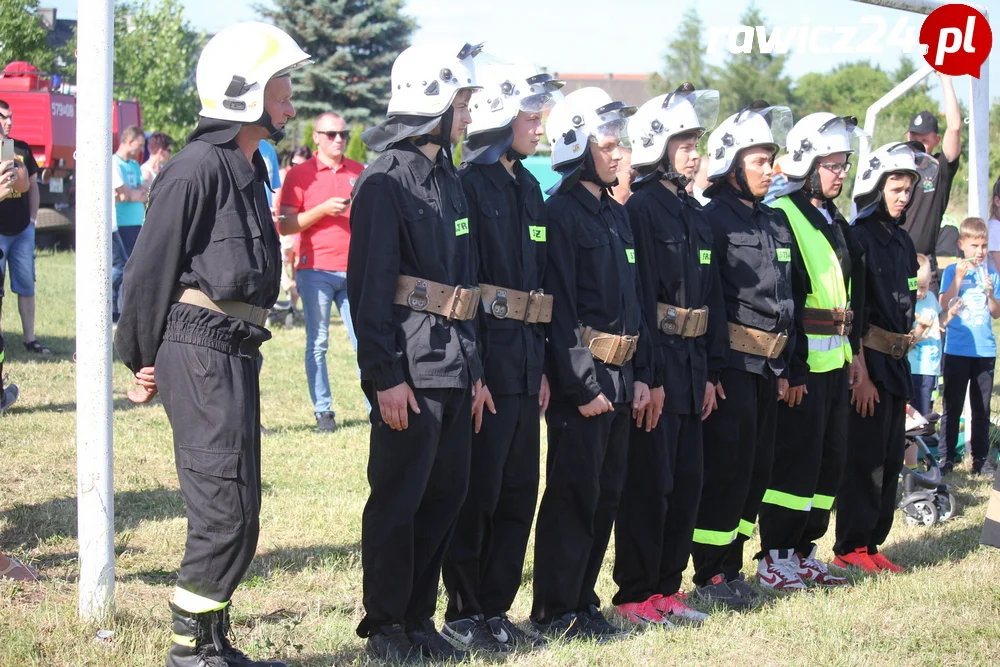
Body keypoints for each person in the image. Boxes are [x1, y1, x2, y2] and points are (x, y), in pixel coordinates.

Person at [114, 22, 310, 667]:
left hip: (234, 346)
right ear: (244, 92)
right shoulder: (194, 169)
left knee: (243, 506)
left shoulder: (246, 168)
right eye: (282, 84)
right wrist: (140, 358)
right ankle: (188, 652)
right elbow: (147, 276)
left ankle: (214, 642)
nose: (290, 97)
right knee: (222, 506)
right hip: (195, 348)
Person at [347, 42, 485, 663]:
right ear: (430, 104)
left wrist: (477, 372)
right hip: (410, 368)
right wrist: (383, 377)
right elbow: (369, 290)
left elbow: (466, 285)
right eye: (461, 102)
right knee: (399, 499)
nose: (467, 114)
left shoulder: (449, 180)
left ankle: (418, 619)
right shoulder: (383, 182)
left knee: (445, 496)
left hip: (456, 368)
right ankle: (384, 627)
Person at [438, 56, 562, 653]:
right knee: (478, 494)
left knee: (517, 492)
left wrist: (539, 371)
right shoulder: (467, 185)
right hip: (487, 366)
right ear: (499, 117)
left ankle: (496, 609)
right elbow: (465, 286)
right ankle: (463, 611)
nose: (540, 126)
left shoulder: (531, 187)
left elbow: (537, 288)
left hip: (525, 368)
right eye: (530, 116)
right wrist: (475, 374)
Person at [530, 87, 650, 641]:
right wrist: (581, 385)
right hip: (588, 383)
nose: (619, 154)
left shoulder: (615, 215)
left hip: (622, 382)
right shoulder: (561, 214)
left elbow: (633, 305)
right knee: (572, 496)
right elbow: (561, 311)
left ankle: (583, 600)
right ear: (578, 145)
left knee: (606, 494)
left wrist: (639, 377)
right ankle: (555, 610)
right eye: (608, 146)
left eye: (619, 145)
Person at [611, 83, 724, 625]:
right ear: (657, 144)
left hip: (693, 367)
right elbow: (639, 300)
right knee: (649, 486)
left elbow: (712, 299)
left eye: (697, 141)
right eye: (685, 142)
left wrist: (710, 372)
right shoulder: (643, 210)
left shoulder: (693, 211)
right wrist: (649, 376)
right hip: (658, 368)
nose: (695, 151)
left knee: (686, 483)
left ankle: (667, 587)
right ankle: (636, 592)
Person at [691, 101, 799, 609]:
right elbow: (709, 299)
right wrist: (713, 371)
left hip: (769, 370)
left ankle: (734, 562)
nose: (769, 169)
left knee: (757, 471)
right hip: (733, 367)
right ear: (732, 164)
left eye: (771, 159)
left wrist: (787, 367)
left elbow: (789, 297)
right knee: (727, 472)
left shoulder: (775, 222)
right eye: (759, 160)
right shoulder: (713, 221)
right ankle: (712, 574)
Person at [756, 113, 868, 590]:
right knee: (794, 463)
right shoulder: (786, 215)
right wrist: (792, 366)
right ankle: (774, 556)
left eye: (844, 164)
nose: (840, 173)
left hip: (834, 362)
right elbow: (787, 297)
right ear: (807, 162)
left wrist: (851, 358)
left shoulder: (833, 219)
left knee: (830, 462)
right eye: (832, 164)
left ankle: (803, 550)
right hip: (803, 364)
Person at [833, 141, 936, 574]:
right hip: (869, 365)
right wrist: (862, 374)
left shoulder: (902, 238)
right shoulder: (859, 236)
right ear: (877, 186)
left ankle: (873, 543)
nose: (904, 197)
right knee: (865, 460)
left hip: (897, 365)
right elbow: (854, 310)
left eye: (909, 189)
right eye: (896, 187)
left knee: (892, 457)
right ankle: (850, 547)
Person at [280, 112, 364, 432]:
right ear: (316, 137)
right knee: (318, 343)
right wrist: (321, 210)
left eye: (342, 133)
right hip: (314, 270)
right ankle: (323, 412)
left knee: (364, 342)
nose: (339, 139)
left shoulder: (359, 171)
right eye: (330, 134)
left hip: (353, 269)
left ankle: (375, 407)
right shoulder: (300, 175)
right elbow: (285, 224)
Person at [937, 217, 1000, 476]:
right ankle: (946, 458)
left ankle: (981, 460)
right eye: (974, 245)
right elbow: (944, 303)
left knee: (981, 408)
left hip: (984, 350)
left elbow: (996, 313)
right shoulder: (953, 271)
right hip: (957, 349)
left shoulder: (992, 272)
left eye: (984, 245)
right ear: (962, 244)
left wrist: (990, 294)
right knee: (951, 406)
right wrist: (959, 280)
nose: (980, 251)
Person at [899, 74, 962, 275]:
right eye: (913, 138)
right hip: (894, 261)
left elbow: (954, 128)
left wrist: (946, 80)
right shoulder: (894, 168)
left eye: (924, 140)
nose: (917, 145)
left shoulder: (940, 169)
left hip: (924, 265)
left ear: (936, 140)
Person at [0, 102, 49, 355]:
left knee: (26, 285)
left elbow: (27, 186)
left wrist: (32, 221)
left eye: (11, 117)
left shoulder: (18, 149)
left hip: (21, 231)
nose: (8, 122)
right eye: (3, 117)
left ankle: (30, 339)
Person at [908, 254, 942, 418]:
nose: (921, 293)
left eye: (925, 287)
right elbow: (907, 342)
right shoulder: (908, 304)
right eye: (917, 287)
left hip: (931, 367)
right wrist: (920, 328)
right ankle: (913, 443)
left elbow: (939, 323)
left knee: (926, 411)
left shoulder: (931, 298)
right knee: (915, 414)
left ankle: (923, 438)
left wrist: (951, 313)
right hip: (914, 368)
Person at [113, 125, 149, 256]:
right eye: (140, 145)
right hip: (123, 223)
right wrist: (136, 193)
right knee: (124, 265)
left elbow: (146, 192)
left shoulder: (134, 165)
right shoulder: (114, 163)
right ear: (129, 142)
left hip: (138, 222)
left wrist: (134, 193)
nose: (141, 149)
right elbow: (124, 195)